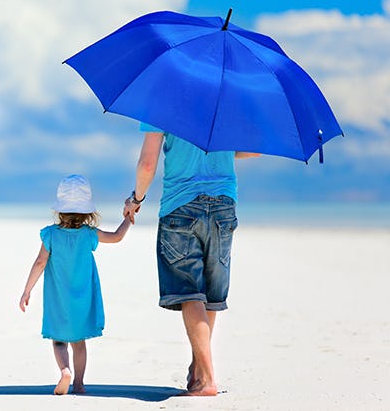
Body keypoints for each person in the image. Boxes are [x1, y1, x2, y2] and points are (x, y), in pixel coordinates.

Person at [123, 125, 260, 396]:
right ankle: (199, 368)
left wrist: (136, 198)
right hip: (223, 204)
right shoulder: (226, 105)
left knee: (190, 292)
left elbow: (148, 164)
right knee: (210, 293)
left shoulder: (162, 104)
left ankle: (207, 379)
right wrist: (219, 150)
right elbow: (254, 150)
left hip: (181, 204)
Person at [19, 174, 132, 395]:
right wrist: (129, 217)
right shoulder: (89, 234)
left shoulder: (50, 234)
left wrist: (27, 290)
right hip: (82, 298)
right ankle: (79, 384)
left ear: (60, 209)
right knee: (79, 343)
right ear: (87, 211)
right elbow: (117, 236)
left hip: (58, 298)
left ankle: (64, 371)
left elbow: (40, 262)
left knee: (59, 341)